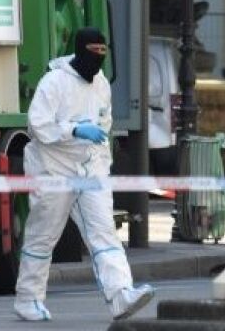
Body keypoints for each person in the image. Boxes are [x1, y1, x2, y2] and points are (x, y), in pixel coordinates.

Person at [13, 27, 155, 322]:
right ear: (80, 51)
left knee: (103, 230)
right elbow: (37, 125)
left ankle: (120, 294)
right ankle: (28, 298)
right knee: (43, 234)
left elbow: (104, 125)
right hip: (53, 168)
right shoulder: (54, 82)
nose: (98, 59)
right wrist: (74, 130)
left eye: (104, 53)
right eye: (94, 52)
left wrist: (102, 165)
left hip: (90, 169)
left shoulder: (101, 83)